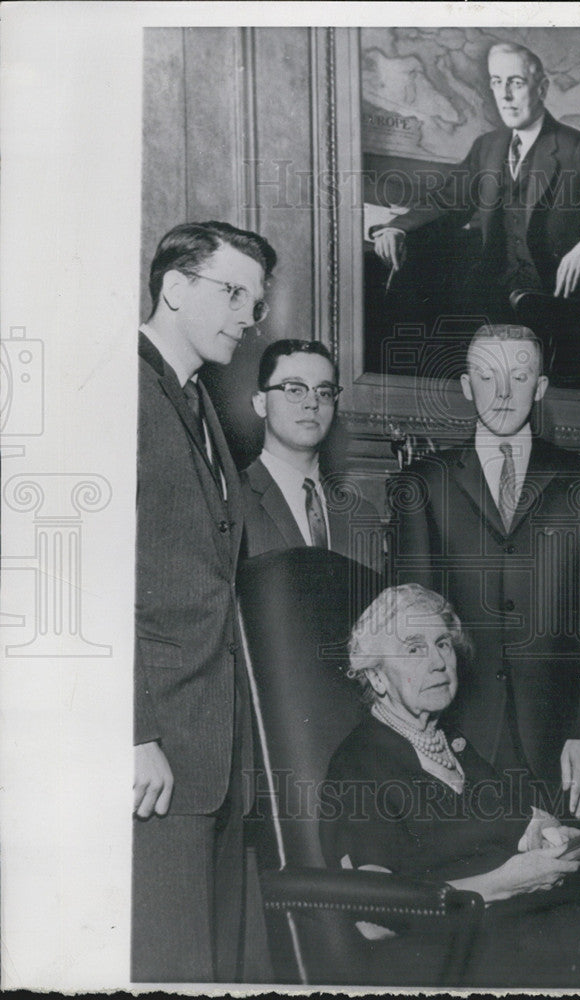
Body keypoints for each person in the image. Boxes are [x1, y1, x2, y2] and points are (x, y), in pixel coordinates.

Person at [320, 584, 580, 988]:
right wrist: (504, 884)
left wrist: (544, 836)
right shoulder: (357, 764)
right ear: (376, 676)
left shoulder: (455, 747)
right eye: (413, 649)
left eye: (442, 643)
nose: (439, 662)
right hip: (445, 954)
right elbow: (373, 920)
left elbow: (518, 824)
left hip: (511, 926)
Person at [388, 324, 580, 818]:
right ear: (467, 387)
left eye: (520, 375)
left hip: (560, 741)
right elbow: (413, 624)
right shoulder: (424, 483)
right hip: (457, 732)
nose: (505, 393)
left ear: (542, 387)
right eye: (488, 378)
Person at [134, 220, 276, 981]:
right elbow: (92, 580)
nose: (248, 316)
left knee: (209, 964)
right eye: (232, 292)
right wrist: (132, 732)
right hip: (155, 749)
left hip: (213, 748)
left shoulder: (199, 403)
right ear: (175, 286)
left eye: (255, 301)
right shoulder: (119, 386)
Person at [371, 41, 580, 385]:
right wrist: (398, 228)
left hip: (555, 297)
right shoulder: (487, 147)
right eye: (496, 82)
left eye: (516, 83)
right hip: (493, 290)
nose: (504, 95)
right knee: (412, 303)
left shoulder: (574, 148)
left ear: (542, 88)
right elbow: (449, 200)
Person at [242, 338, 382, 571]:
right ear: (260, 403)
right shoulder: (231, 501)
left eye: (324, 392)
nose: (312, 403)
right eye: (295, 390)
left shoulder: (362, 516)